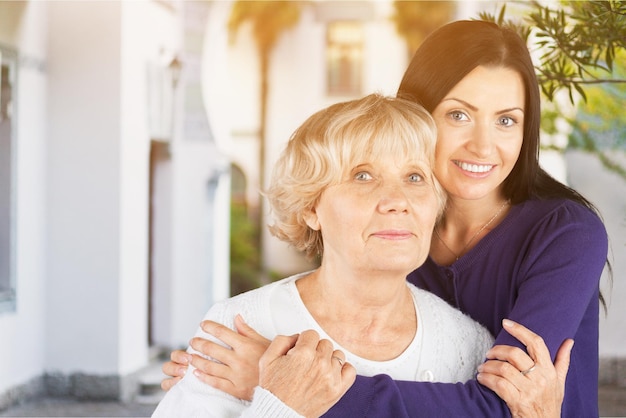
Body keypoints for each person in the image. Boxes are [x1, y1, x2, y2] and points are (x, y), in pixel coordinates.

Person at [163, 20, 608, 417]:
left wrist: (279, 381)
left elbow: (501, 407)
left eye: (507, 121)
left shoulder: (565, 234)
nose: (483, 146)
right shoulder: (393, 240)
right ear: (417, 117)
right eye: (458, 114)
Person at [152, 93, 497, 417]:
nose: (397, 200)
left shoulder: (470, 346)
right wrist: (280, 405)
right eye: (363, 175)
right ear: (310, 208)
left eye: (415, 177)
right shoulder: (237, 329)